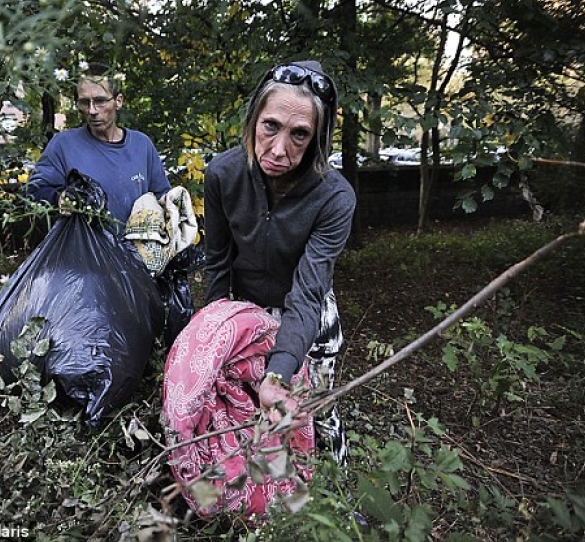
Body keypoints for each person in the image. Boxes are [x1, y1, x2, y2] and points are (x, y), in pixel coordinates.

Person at [203, 60, 356, 464]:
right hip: (246, 311)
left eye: (299, 135)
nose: (278, 149)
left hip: (310, 315)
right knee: (252, 415)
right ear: (254, 117)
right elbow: (217, 261)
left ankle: (338, 493)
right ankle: (269, 500)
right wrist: (212, 333)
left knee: (316, 411)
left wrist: (279, 371)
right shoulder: (223, 174)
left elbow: (308, 289)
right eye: (270, 125)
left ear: (317, 139)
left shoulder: (334, 198)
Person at [25, 62, 171, 235]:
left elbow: (162, 196)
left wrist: (174, 205)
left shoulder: (141, 145)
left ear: (118, 101)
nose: (92, 110)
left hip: (137, 256)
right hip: (85, 256)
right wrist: (59, 199)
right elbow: (33, 192)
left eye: (100, 101)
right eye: (85, 103)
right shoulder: (63, 145)